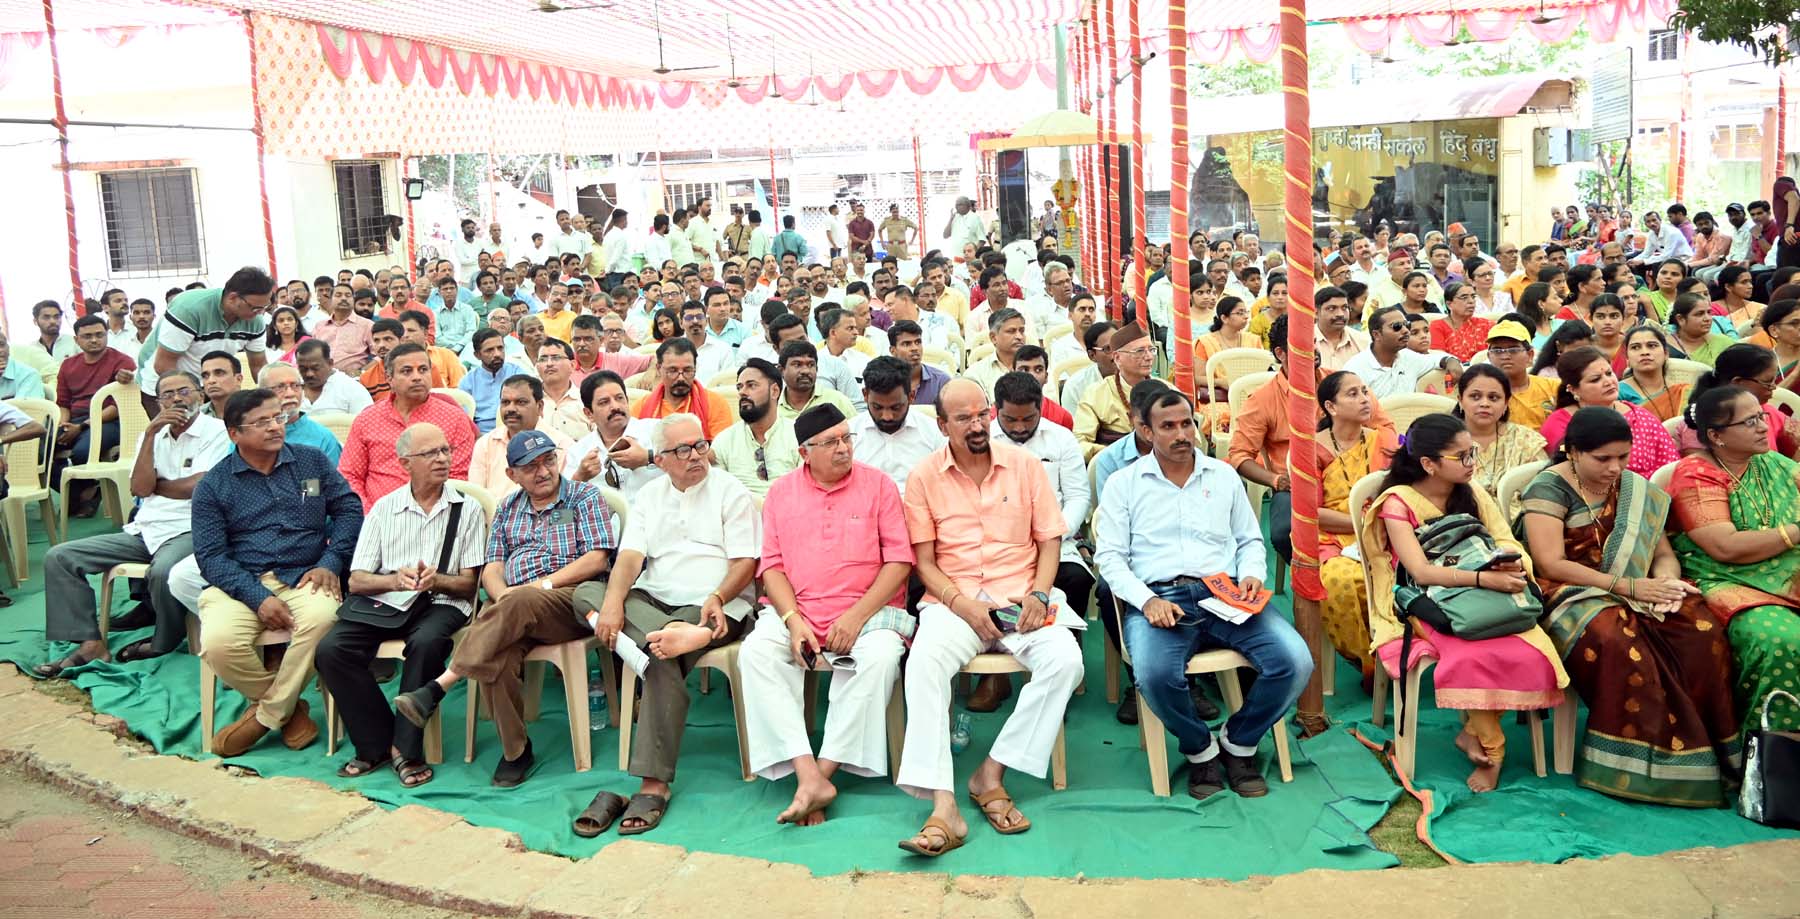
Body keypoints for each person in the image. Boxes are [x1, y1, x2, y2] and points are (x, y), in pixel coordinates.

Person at [893, 380, 1082, 857]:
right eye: (964, 418)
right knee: (923, 664)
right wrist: (962, 604)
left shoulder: (1024, 467)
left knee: (1066, 660)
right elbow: (924, 563)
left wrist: (1040, 592)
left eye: (982, 414)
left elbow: (1050, 541)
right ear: (943, 425)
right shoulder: (923, 476)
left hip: (1021, 596)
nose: (977, 425)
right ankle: (942, 806)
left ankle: (990, 772)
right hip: (954, 602)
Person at [1094, 384, 1310, 800]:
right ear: (1145, 430)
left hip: (1225, 592)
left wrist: (1250, 574)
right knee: (1155, 675)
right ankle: (1200, 751)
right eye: (1167, 426)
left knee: (1295, 662)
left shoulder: (1223, 475)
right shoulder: (1125, 483)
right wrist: (1147, 601)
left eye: (1187, 423)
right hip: (1160, 598)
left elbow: (1250, 540)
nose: (1181, 434)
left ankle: (1238, 743)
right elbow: (1111, 559)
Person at [1518, 407, 1737, 806]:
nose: (1614, 468)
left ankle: (1715, 753)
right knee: (1617, 639)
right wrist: (1629, 586)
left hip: (1637, 584)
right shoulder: (1547, 490)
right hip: (1570, 591)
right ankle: (1633, 767)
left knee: (1700, 629)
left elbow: (1662, 553)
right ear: (1572, 452)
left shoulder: (1635, 488)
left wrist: (1667, 584)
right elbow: (1550, 563)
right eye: (1602, 459)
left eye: (1623, 456)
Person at [1357, 413, 1568, 792]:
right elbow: (1419, 572)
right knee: (1472, 657)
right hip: (1428, 603)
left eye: (1472, 454)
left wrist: (1507, 565)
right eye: (1463, 457)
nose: (1473, 463)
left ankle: (1470, 731)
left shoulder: (1472, 492)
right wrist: (1482, 577)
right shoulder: (1397, 503)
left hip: (1489, 591)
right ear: (1428, 464)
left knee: (1535, 654)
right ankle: (1494, 751)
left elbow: (1507, 540)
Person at [392, 430, 616, 786]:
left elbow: (596, 559)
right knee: (498, 659)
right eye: (530, 466)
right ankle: (516, 751)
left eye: (547, 460)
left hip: (569, 599)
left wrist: (538, 587)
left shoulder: (584, 496)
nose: (542, 471)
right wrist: (504, 596)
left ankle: (440, 685)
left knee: (520, 600)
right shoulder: (508, 507)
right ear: (512, 474)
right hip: (515, 608)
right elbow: (493, 567)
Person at [580, 414, 762, 833]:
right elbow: (629, 557)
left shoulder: (728, 491)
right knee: (586, 595)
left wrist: (714, 599)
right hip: (654, 600)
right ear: (660, 460)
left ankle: (653, 783)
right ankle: (657, 643)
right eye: (683, 450)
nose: (696, 456)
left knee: (660, 654)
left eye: (700, 446)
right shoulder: (650, 496)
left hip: (713, 602)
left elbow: (745, 564)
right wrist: (611, 605)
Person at [737, 404, 915, 826]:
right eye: (831, 442)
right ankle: (805, 772)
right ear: (804, 453)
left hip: (870, 613)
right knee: (756, 654)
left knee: (879, 659)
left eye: (846, 438)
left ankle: (825, 773)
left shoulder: (879, 486)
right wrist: (792, 620)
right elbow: (772, 567)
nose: (843, 448)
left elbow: (899, 563)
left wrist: (855, 617)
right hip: (799, 612)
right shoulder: (781, 492)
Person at [190, 389, 363, 756]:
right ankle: (288, 710)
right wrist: (257, 597)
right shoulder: (213, 486)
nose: (275, 427)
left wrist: (330, 563)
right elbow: (210, 556)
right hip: (241, 580)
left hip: (306, 574)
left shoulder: (310, 463)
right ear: (234, 433)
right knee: (219, 644)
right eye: (262, 422)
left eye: (278, 418)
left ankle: (264, 717)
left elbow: (349, 509)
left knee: (323, 621)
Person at [316, 423, 489, 788]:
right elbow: (358, 580)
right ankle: (376, 741)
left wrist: (436, 579)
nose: (442, 459)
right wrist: (395, 580)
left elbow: (469, 585)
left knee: (426, 644)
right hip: (387, 601)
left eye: (445, 451)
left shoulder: (466, 508)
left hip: (442, 601)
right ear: (404, 463)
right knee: (331, 650)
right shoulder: (384, 508)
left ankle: (405, 750)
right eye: (430, 454)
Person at [36, 371, 229, 675]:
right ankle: (91, 644)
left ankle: (163, 640)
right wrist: (151, 436)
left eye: (184, 391)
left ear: (201, 395)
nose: (177, 399)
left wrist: (158, 485)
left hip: (192, 527)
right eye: (167, 394)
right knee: (60, 557)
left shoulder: (218, 432)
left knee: (165, 571)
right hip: (147, 528)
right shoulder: (151, 434)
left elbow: (199, 487)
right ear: (158, 401)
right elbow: (139, 488)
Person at [1669, 385, 1800, 738]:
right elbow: (1724, 547)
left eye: (1761, 416)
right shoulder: (1695, 473)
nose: (1763, 426)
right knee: (1782, 639)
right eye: (1750, 421)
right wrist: (1796, 531)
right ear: (1716, 435)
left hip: (1785, 569)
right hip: (1724, 579)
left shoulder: (1770, 462)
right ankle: (1776, 752)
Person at [977, 370, 1094, 711]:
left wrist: (1052, 535)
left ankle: (1064, 671)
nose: (1018, 427)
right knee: (988, 582)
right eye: (1010, 419)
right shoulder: (981, 441)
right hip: (997, 543)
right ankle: (995, 672)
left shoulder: (1060, 439)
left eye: (1028, 418)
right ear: (994, 410)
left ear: (1040, 407)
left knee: (1074, 578)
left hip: (1056, 537)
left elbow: (1077, 498)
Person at [1313, 371, 1397, 686]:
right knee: (1341, 579)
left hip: (1387, 529)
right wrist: (1359, 523)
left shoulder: (1384, 440)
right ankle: (1367, 660)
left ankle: (1395, 649)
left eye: (1365, 391)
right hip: (1331, 536)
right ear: (1331, 407)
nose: (1364, 399)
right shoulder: (1312, 449)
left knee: (1394, 575)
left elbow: (1402, 490)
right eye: (1353, 394)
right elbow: (1311, 512)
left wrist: (1379, 524)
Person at [340, 343, 476, 511]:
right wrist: (370, 514)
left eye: (423, 369)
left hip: (437, 516)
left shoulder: (454, 418)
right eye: (407, 371)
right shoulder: (367, 419)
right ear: (389, 378)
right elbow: (350, 475)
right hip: (376, 518)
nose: (417, 377)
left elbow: (459, 478)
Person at [1540, 347, 1678, 478]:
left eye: (1609, 373)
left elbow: (1670, 465)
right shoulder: (1561, 423)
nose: (1608, 382)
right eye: (1595, 379)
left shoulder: (1639, 415)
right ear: (1573, 390)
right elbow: (1570, 474)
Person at [142, 268, 271, 405]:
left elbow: (259, 366)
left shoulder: (255, 320)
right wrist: (196, 398)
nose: (261, 313)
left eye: (265, 307)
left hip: (209, 385)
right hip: (166, 385)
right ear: (232, 298)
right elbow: (164, 365)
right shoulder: (189, 309)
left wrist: (271, 396)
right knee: (184, 425)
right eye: (255, 308)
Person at [52, 314, 136, 505]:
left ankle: (82, 497)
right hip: (75, 420)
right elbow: (63, 403)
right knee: (40, 449)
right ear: (76, 339)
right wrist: (63, 424)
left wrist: (81, 427)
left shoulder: (122, 362)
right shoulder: (68, 365)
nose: (94, 340)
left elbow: (118, 407)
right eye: (87, 336)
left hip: (111, 421)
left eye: (99, 334)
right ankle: (82, 496)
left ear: (106, 334)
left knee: (82, 452)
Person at [468, 375, 576, 497]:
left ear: (539, 407)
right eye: (505, 402)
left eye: (521, 402)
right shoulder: (485, 443)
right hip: (493, 515)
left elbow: (563, 501)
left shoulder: (561, 444)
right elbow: (476, 497)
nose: (511, 409)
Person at [850, 356, 946, 493]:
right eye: (877, 407)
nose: (887, 417)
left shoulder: (934, 433)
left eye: (896, 408)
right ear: (865, 395)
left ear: (911, 397)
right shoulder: (849, 435)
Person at [564, 370, 661, 498]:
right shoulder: (578, 453)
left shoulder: (657, 430)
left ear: (627, 400)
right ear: (589, 414)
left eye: (619, 398)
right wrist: (580, 477)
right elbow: (561, 515)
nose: (615, 406)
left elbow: (692, 463)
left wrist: (648, 458)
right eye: (604, 402)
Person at [1076, 322, 1158, 460]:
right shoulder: (1096, 394)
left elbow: (1192, 438)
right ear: (1117, 357)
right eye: (1139, 351)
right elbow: (1080, 444)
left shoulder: (1166, 389)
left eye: (1152, 350)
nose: (1149, 356)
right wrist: (1119, 453)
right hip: (1113, 466)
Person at [632, 337, 734, 438]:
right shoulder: (642, 406)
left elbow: (719, 451)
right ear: (659, 369)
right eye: (673, 370)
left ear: (695, 367)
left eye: (687, 370)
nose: (681, 378)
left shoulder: (714, 403)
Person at [258, 363, 342, 464]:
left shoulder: (323, 438)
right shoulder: (249, 435)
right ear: (261, 393)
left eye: (295, 386)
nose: (291, 394)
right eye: (280, 387)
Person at [1615, 325, 1688, 421]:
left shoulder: (1681, 391)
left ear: (1666, 353)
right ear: (1627, 359)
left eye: (1652, 346)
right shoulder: (1617, 393)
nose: (1644, 352)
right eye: (1635, 347)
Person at [294, 340, 373, 416]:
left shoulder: (351, 389)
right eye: (303, 369)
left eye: (315, 368)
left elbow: (366, 424)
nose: (309, 374)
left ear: (330, 363)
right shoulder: (291, 388)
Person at [886, 320, 951, 406]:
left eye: (918, 342)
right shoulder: (882, 380)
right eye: (906, 344)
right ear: (893, 350)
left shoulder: (940, 381)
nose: (914, 348)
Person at [1429, 282, 1492, 362]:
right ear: (1449, 304)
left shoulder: (1486, 324)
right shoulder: (1437, 326)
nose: (1471, 301)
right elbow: (1438, 357)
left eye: (1473, 297)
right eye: (1464, 297)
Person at [1670, 292, 1735, 368]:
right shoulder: (1666, 347)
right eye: (1699, 314)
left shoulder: (1724, 343)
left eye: (1709, 312)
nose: (1708, 318)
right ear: (1681, 319)